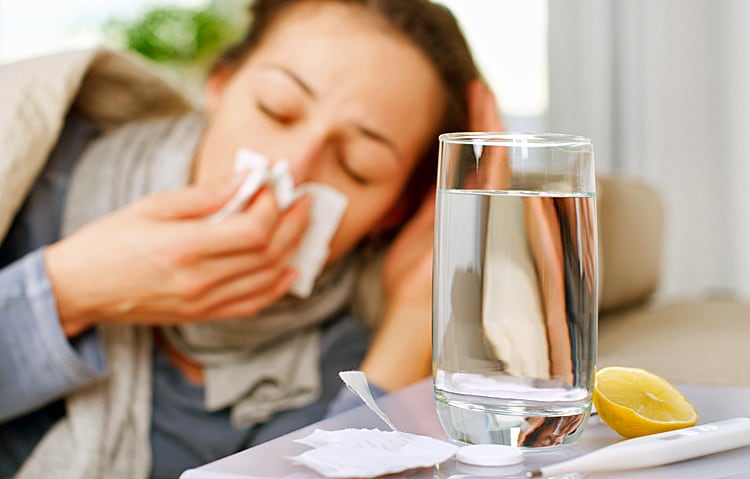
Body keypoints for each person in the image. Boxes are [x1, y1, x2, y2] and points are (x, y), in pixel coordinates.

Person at [0, 0, 503, 477]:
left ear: (391, 212)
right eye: (275, 109)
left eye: (358, 167)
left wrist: (413, 318)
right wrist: (68, 289)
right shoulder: (33, 173)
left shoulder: (344, 349)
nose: (293, 165)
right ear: (218, 87)